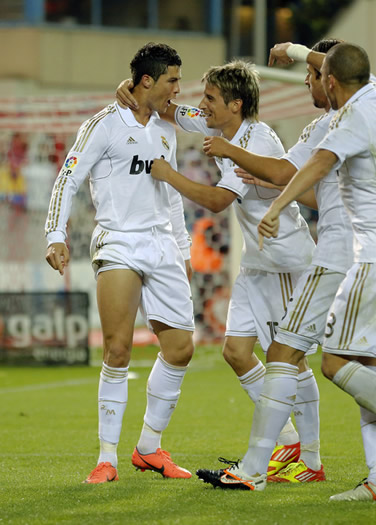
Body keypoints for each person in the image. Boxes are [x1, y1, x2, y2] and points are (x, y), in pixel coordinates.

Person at [195, 42, 376, 499]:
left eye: (314, 75)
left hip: (352, 253)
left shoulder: (338, 122)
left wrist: (277, 202)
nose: (307, 81)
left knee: (309, 358)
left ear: (331, 80)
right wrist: (299, 51)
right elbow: (340, 71)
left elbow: (297, 168)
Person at [116, 60, 318, 479]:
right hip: (257, 264)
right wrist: (132, 89)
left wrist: (168, 174)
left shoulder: (257, 140)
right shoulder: (216, 125)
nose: (201, 105)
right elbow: (172, 110)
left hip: (285, 260)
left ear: (236, 104)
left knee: (290, 360)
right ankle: (287, 443)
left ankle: (309, 458)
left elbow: (217, 201)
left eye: (210, 98)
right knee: (236, 353)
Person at [45, 42, 195, 484]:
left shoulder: (170, 126)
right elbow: (68, 177)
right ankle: (106, 457)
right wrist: (56, 234)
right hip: (119, 244)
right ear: (147, 80)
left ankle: (148, 447)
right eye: (172, 80)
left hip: (163, 245)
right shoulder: (104, 125)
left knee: (181, 349)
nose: (178, 89)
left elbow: (171, 199)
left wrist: (182, 251)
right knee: (118, 349)